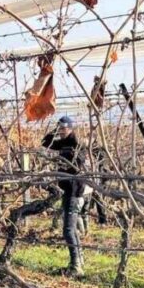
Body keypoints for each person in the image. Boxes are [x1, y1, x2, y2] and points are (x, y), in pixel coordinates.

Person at [41, 115, 86, 276]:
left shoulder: (77, 145)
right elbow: (45, 142)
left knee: (68, 230)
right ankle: (78, 262)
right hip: (68, 190)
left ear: (71, 128)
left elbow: (78, 165)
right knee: (71, 229)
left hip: (75, 192)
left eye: (64, 128)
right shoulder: (63, 142)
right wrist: (55, 130)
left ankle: (76, 266)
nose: (61, 131)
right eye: (59, 128)